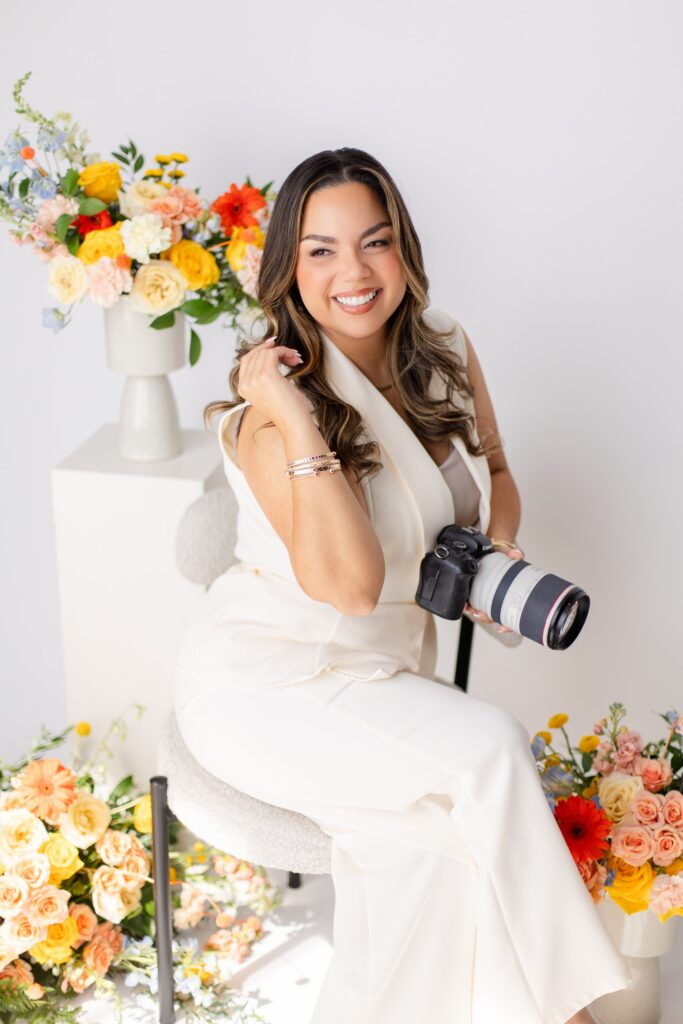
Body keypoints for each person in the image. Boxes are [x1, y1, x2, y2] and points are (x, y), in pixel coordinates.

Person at [173, 147, 633, 1024]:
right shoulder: (267, 421)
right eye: (320, 250)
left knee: (440, 853)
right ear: (287, 268)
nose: (353, 271)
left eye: (375, 242)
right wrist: (296, 412)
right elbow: (348, 589)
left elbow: (494, 472)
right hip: (270, 683)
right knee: (491, 746)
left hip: (385, 682)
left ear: (405, 251)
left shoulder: (446, 346)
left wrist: (494, 560)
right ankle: (576, 1010)